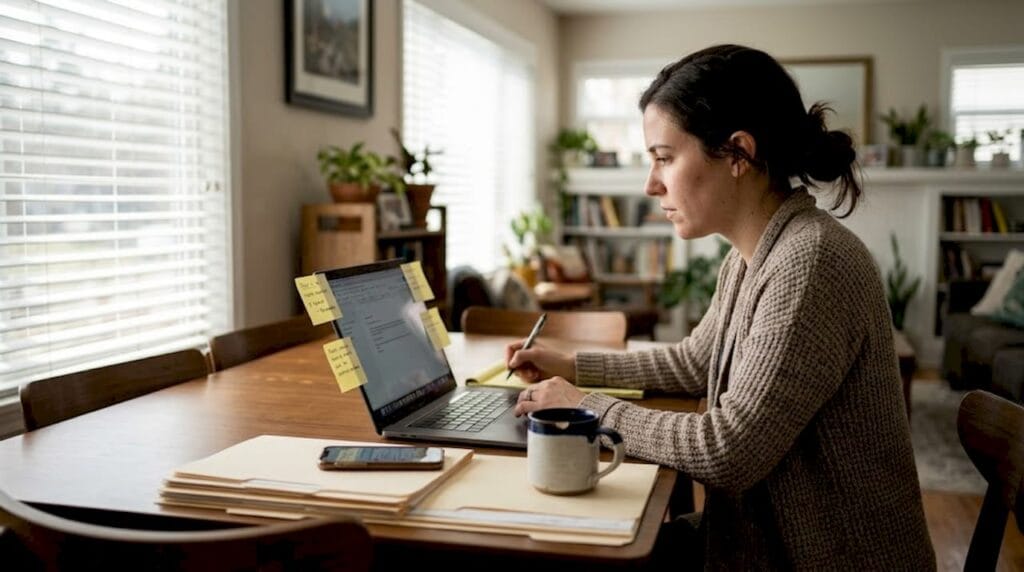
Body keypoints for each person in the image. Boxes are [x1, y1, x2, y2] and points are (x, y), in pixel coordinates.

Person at [507, 44, 935, 570]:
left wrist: (588, 405)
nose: (651, 184)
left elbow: (725, 450)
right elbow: (694, 361)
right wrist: (571, 364)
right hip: (761, 542)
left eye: (664, 157)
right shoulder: (754, 253)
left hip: (821, 557)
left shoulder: (809, 263)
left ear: (738, 154)